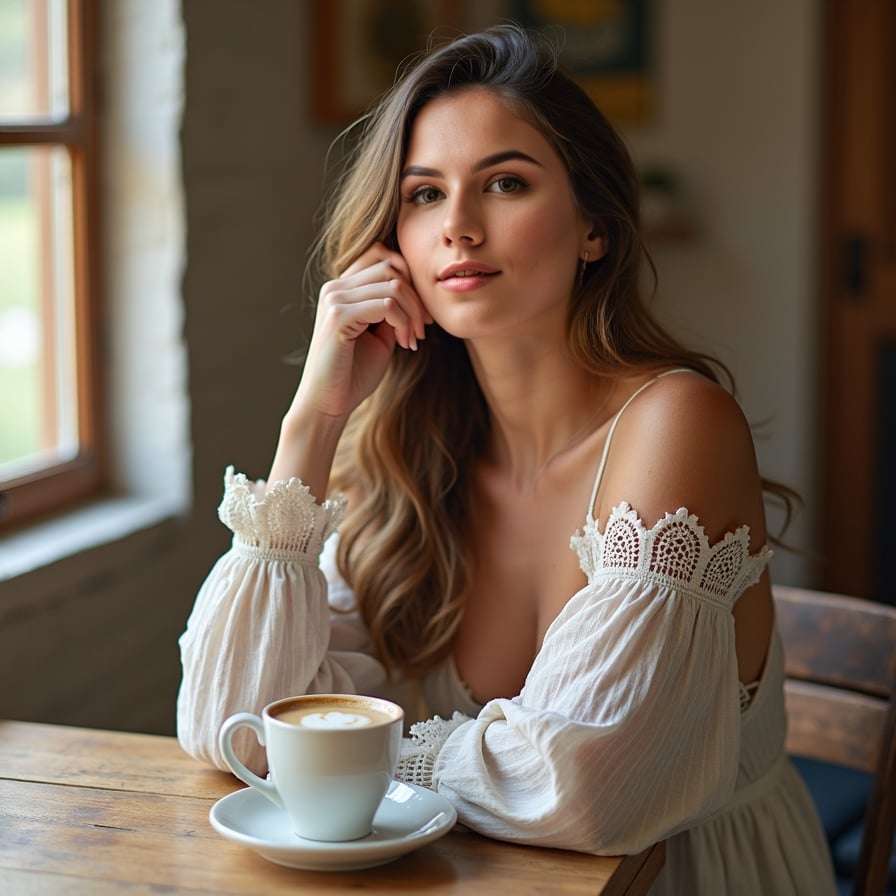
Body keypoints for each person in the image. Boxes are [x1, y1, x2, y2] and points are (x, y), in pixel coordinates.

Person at [177, 24, 836, 895]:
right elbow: (230, 726)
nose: (458, 227)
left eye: (506, 184)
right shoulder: (392, 460)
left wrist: (355, 761)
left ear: (594, 229)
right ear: (393, 244)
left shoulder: (678, 425)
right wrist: (314, 420)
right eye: (422, 196)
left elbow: (591, 792)